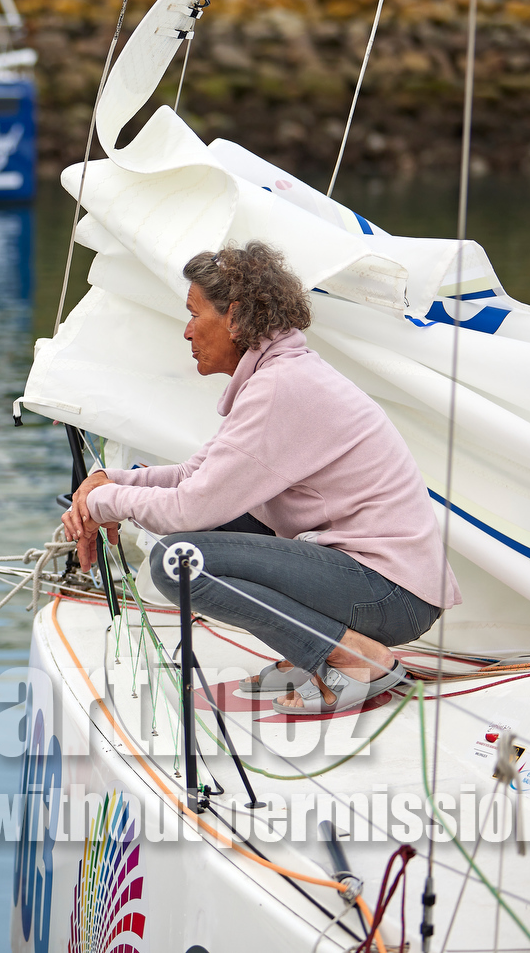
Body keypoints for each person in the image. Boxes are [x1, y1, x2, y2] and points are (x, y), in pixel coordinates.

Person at [61, 243, 459, 714]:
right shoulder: (277, 375)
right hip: (374, 579)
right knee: (209, 530)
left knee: (177, 561)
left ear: (232, 317)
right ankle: (314, 654)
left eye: (193, 314)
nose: (187, 331)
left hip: (391, 594)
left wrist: (101, 503)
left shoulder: (281, 387)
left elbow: (189, 508)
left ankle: (354, 657)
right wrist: (109, 481)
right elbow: (195, 476)